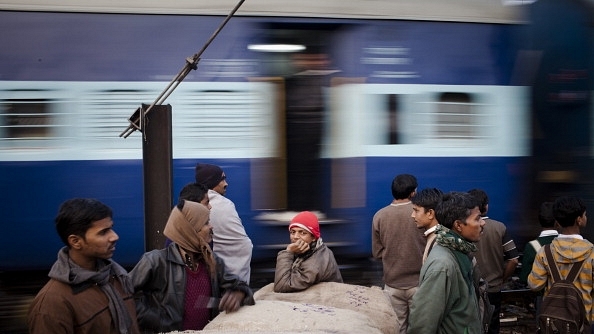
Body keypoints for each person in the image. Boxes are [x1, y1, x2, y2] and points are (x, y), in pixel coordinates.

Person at [129, 200, 254, 332]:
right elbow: (124, 295)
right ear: (190, 229)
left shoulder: (212, 261)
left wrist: (238, 294)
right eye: (206, 223)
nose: (211, 227)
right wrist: (158, 321)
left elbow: (241, 286)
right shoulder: (155, 261)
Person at [28, 198, 140, 334]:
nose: (114, 236)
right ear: (76, 242)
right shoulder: (52, 304)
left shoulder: (117, 277)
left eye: (111, 228)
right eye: (103, 232)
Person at [408, 191, 485, 334]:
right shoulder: (442, 266)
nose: (483, 223)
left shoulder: (461, 253)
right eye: (477, 219)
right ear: (458, 225)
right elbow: (422, 323)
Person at [528, 196, 594, 327]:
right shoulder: (591, 254)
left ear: (557, 222)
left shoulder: (544, 252)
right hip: (583, 322)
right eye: (585, 215)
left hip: (553, 323)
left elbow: (534, 285)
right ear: (579, 220)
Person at [372, 173, 425, 334]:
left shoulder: (379, 216)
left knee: (398, 328)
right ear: (413, 193)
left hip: (392, 284)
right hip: (419, 283)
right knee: (420, 327)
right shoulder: (421, 214)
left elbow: (377, 253)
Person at [468, 188, 519, 334]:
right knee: (492, 325)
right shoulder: (499, 228)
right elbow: (514, 260)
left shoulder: (464, 228)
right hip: (494, 288)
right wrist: (503, 278)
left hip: (471, 288)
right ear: (486, 206)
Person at [195, 163, 253, 284]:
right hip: (231, 275)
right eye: (222, 179)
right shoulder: (225, 204)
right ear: (212, 182)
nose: (226, 184)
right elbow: (241, 244)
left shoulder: (194, 203)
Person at [274, 211, 343, 292]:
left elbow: (282, 287)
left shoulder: (316, 262)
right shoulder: (308, 250)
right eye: (293, 232)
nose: (295, 237)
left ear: (314, 237)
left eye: (302, 233)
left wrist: (288, 252)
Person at [519, 201, 558, 284]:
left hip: (543, 294)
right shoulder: (566, 243)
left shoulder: (531, 246)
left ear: (539, 220)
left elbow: (524, 278)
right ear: (557, 221)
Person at [411, 187, 443, 263]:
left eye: (416, 211)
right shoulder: (439, 237)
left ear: (430, 213)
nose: (412, 215)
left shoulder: (439, 243)